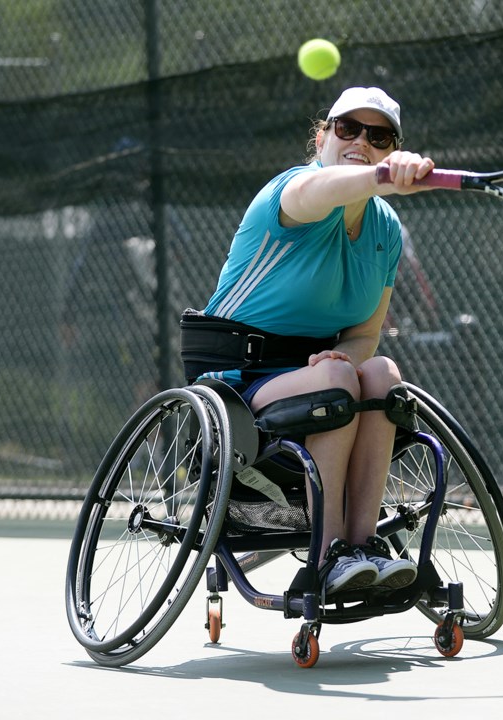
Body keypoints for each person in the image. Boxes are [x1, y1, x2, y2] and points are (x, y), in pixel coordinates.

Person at [195, 87, 437, 595]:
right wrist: (381, 177)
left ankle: (362, 546)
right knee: (336, 377)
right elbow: (324, 190)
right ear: (324, 135)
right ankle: (328, 558)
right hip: (239, 380)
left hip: (321, 375)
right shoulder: (294, 191)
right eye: (348, 129)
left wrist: (343, 359)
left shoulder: (385, 230)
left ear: (393, 146)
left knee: (381, 373)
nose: (361, 142)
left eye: (379, 136)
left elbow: (365, 335)